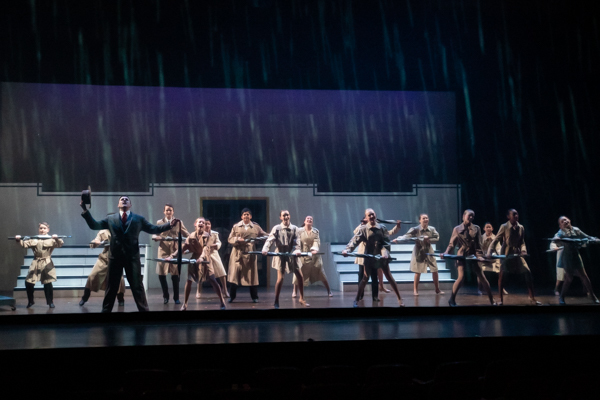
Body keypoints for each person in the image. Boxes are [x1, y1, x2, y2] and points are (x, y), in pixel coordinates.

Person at [80, 196, 177, 312]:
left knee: (137, 287)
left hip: (132, 258)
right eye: (122, 199)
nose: (124, 200)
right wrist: (85, 210)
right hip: (115, 258)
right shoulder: (111, 218)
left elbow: (153, 228)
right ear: (118, 205)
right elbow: (94, 225)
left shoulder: (138, 219)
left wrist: (169, 225)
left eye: (127, 199)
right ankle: (105, 314)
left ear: (130, 205)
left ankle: (144, 312)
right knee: (111, 287)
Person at [342, 208, 404, 307]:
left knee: (389, 276)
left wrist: (385, 254)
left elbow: (386, 243)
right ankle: (356, 299)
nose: (371, 216)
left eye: (373, 214)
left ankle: (400, 299)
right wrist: (347, 250)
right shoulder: (363, 229)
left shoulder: (382, 228)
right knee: (365, 278)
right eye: (369, 215)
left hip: (381, 256)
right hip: (369, 256)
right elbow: (355, 240)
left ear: (375, 215)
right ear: (366, 217)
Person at [486, 209, 541, 306]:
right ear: (508, 216)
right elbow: (496, 240)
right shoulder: (504, 226)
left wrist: (523, 250)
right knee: (502, 275)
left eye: (517, 214)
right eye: (514, 214)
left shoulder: (521, 227)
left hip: (517, 254)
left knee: (527, 272)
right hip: (506, 254)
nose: (516, 216)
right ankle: (500, 300)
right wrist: (489, 252)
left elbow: (522, 241)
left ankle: (532, 298)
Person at [169, 218, 226, 310]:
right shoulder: (191, 236)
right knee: (189, 281)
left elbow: (205, 249)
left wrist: (201, 258)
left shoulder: (207, 235)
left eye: (203, 223)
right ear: (195, 224)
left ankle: (222, 301)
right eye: (200, 222)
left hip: (205, 260)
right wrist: (172, 256)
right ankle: (185, 304)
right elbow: (183, 247)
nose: (201, 224)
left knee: (213, 280)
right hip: (194, 260)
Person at [442, 209, 496, 307]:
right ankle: (452, 299)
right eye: (469, 216)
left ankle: (492, 301)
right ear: (464, 216)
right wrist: (445, 253)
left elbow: (479, 245)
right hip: (462, 254)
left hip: (473, 254)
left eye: (473, 216)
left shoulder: (477, 228)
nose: (471, 218)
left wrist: (480, 257)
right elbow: (451, 244)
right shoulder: (457, 229)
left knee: (482, 276)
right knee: (461, 277)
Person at [262, 210, 309, 308]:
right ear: (280, 217)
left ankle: (301, 298)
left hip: (292, 254)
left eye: (287, 215)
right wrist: (265, 249)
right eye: (284, 215)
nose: (286, 217)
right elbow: (270, 240)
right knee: (280, 278)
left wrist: (297, 251)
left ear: (289, 216)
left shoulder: (295, 228)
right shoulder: (277, 228)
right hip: (281, 254)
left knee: (300, 276)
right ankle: (276, 300)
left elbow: (297, 242)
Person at [551, 216, 599, 305]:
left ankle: (592, 296)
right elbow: (554, 239)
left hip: (576, 255)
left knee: (584, 276)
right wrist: (556, 240)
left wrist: (595, 239)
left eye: (566, 219)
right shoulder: (561, 232)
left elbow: (587, 237)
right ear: (560, 225)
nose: (565, 221)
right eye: (562, 221)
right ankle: (562, 297)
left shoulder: (576, 230)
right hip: (567, 257)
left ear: (569, 220)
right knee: (569, 278)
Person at [393, 213, 444, 296]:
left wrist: (429, 240)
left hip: (429, 251)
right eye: (423, 218)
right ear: (420, 220)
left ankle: (437, 289)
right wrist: (398, 239)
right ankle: (415, 290)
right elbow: (406, 236)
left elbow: (437, 237)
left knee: (435, 270)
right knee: (418, 271)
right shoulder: (415, 229)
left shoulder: (431, 229)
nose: (425, 220)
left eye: (427, 218)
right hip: (419, 251)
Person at [15, 222, 63, 308]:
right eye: (41, 228)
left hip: (46, 262)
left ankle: (50, 302)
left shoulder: (51, 239)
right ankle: (30, 301)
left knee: (48, 283)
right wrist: (18, 240)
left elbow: (60, 244)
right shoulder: (34, 239)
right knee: (29, 282)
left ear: (48, 229)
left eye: (44, 228)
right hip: (36, 262)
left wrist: (57, 238)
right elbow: (24, 244)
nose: (42, 230)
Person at [355, 218, 402, 301]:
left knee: (374, 276)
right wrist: (363, 224)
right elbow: (356, 234)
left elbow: (389, 233)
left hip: (374, 255)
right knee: (362, 276)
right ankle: (359, 296)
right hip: (363, 255)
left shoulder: (379, 228)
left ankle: (375, 296)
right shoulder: (363, 228)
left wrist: (397, 227)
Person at [227, 208, 268, 303]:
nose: (246, 216)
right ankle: (232, 297)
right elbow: (230, 238)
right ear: (241, 216)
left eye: (248, 214)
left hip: (250, 253)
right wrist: (237, 239)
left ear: (251, 216)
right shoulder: (236, 226)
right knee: (234, 275)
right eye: (244, 214)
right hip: (238, 253)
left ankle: (254, 297)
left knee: (252, 275)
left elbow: (264, 235)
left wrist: (272, 235)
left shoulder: (255, 227)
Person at [152, 204, 189, 304]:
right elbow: (155, 233)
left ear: (173, 212)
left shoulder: (178, 222)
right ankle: (166, 296)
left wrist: (185, 245)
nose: (168, 212)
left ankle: (176, 297)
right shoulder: (160, 222)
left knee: (175, 274)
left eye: (170, 210)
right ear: (164, 211)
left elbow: (187, 235)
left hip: (174, 249)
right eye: (167, 210)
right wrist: (156, 237)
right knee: (161, 274)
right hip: (163, 249)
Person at [79, 229, 126, 307]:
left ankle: (120, 299)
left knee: (119, 280)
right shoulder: (103, 232)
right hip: (104, 259)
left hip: (116, 259)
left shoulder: (121, 230)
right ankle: (85, 297)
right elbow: (94, 243)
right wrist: (95, 242)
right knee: (92, 276)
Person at [291, 216, 332, 298]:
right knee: (297, 273)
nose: (309, 220)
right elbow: (297, 241)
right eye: (307, 219)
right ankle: (294, 291)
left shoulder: (315, 231)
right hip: (302, 255)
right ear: (305, 221)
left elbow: (317, 241)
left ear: (312, 222)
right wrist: (297, 250)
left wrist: (315, 249)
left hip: (314, 256)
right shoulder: (299, 231)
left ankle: (329, 290)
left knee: (321, 273)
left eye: (311, 219)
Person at [196, 219, 230, 299]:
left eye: (209, 224)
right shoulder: (200, 233)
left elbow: (219, 242)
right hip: (203, 254)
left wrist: (216, 245)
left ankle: (225, 290)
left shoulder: (215, 234)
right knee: (200, 273)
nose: (207, 225)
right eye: (206, 224)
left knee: (222, 272)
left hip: (213, 253)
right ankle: (198, 291)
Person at [477, 223, 506, 295]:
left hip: (493, 258)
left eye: (490, 227)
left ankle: (502, 288)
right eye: (487, 227)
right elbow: (479, 248)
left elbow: (498, 248)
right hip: (484, 258)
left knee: (500, 270)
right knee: (479, 271)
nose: (488, 229)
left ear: (492, 229)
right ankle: (479, 289)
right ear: (484, 229)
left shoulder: (495, 237)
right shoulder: (481, 237)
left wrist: (500, 256)